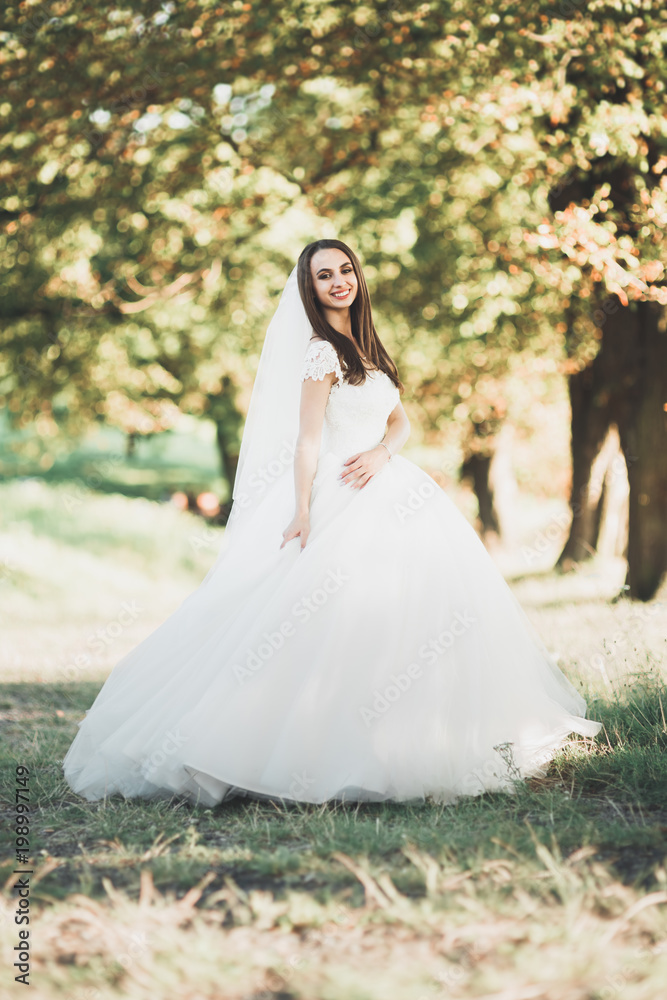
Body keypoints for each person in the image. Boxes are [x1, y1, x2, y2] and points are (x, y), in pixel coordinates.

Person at [63, 238, 601, 808]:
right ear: (310, 288)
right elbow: (308, 441)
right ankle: (280, 752)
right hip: (337, 494)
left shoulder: (366, 346)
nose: (339, 280)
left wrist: (383, 455)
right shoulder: (321, 352)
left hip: (390, 487)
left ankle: (412, 741)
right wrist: (302, 510)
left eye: (345, 270)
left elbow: (400, 423)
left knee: (410, 614)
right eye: (325, 275)